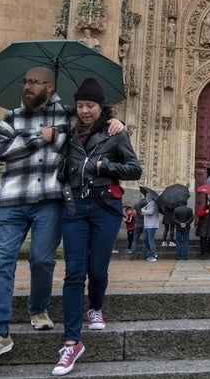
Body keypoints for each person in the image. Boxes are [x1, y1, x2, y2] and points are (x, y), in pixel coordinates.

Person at [0, 67, 69, 366]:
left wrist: (116, 121)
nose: (26, 86)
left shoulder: (67, 117)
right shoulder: (11, 117)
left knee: (42, 260)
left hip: (49, 201)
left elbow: (88, 133)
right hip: (12, 201)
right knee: (3, 263)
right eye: (24, 81)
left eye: (33, 82)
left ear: (49, 86)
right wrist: (39, 137)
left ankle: (38, 308)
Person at [54, 77, 142, 376]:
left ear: (100, 107)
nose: (84, 111)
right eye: (80, 105)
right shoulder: (66, 128)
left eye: (90, 105)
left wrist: (106, 166)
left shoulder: (114, 132)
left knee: (98, 268)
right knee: (73, 272)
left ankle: (95, 307)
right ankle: (71, 341)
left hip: (105, 205)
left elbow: (134, 168)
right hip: (74, 205)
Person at [141, 189, 160, 262]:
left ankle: (153, 256)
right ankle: (153, 253)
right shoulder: (149, 203)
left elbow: (150, 212)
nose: (146, 197)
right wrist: (144, 210)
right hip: (147, 225)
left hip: (151, 225)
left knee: (150, 240)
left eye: (147, 196)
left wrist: (143, 211)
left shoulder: (153, 203)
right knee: (145, 239)